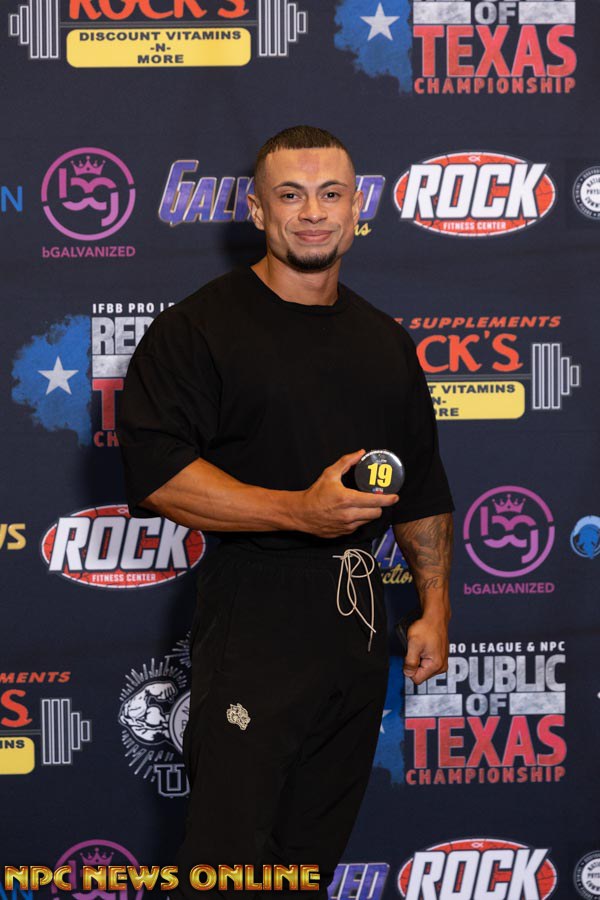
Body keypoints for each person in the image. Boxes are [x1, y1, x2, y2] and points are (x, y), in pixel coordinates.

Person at [117, 125, 454, 898]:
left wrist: (435, 605)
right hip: (255, 616)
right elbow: (158, 475)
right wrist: (298, 511)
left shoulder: (384, 341)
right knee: (229, 860)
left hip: (359, 620)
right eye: (291, 196)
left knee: (310, 861)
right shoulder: (198, 329)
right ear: (258, 211)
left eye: (330, 194)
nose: (312, 213)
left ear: (357, 208)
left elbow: (424, 488)